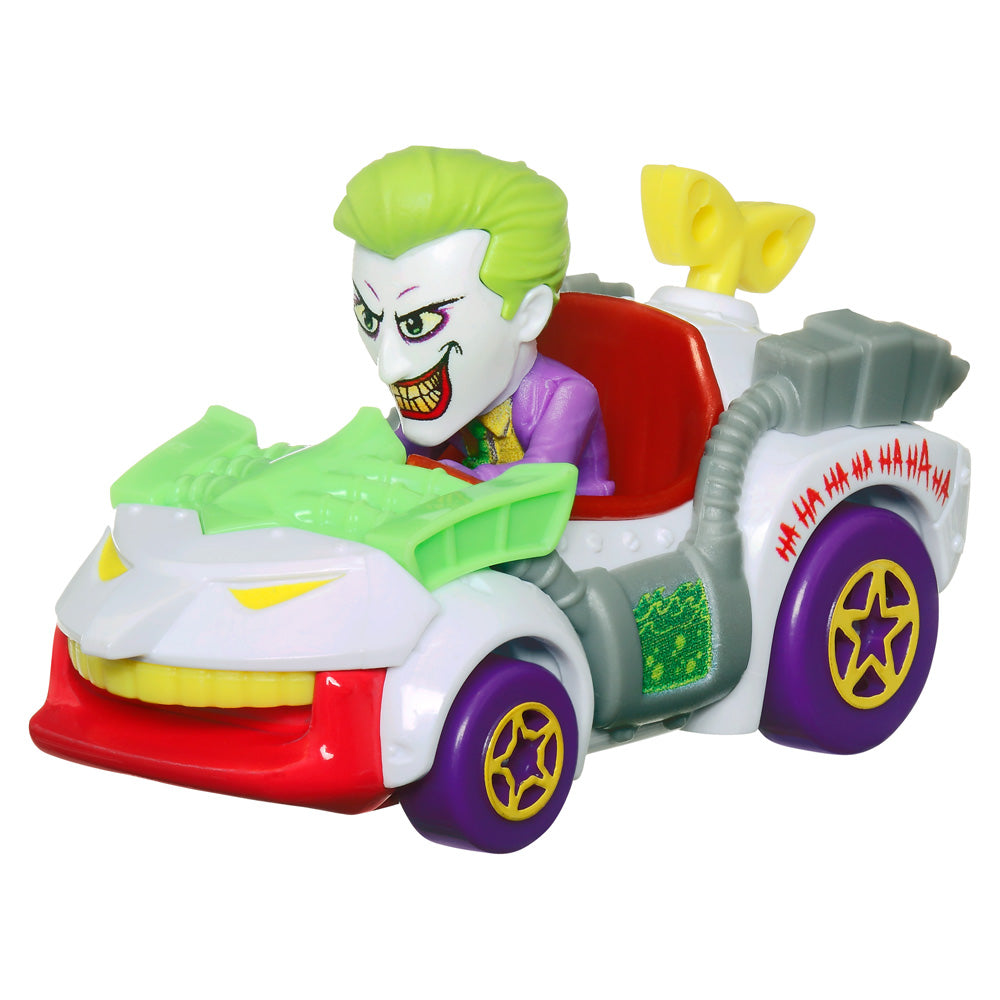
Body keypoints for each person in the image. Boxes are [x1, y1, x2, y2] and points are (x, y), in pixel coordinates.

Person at [334, 146, 614, 496]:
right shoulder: (453, 395)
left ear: (529, 314)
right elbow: (400, 451)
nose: (387, 369)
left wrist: (445, 476)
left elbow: (541, 478)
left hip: (576, 518)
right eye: (368, 318)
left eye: (419, 324)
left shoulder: (568, 395)